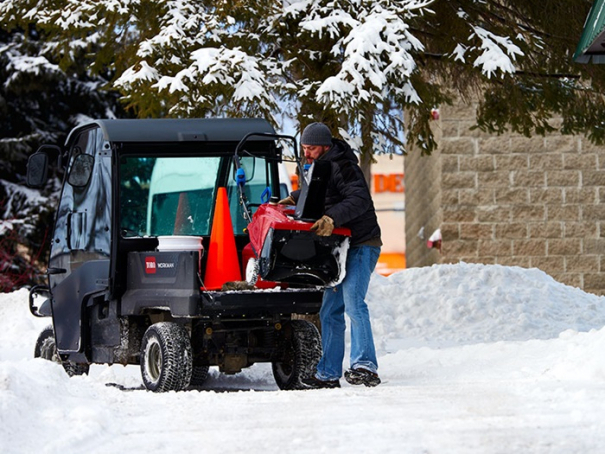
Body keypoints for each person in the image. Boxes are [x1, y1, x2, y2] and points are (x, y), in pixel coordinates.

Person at [280, 122, 382, 388]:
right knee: (329, 311)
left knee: (353, 302)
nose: (307, 152)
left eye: (311, 148)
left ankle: (364, 366)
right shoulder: (319, 166)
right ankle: (328, 373)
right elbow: (322, 192)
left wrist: (331, 217)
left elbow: (358, 199)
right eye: (304, 148)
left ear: (325, 146)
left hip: (361, 243)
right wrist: (295, 197)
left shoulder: (344, 165)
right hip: (338, 246)